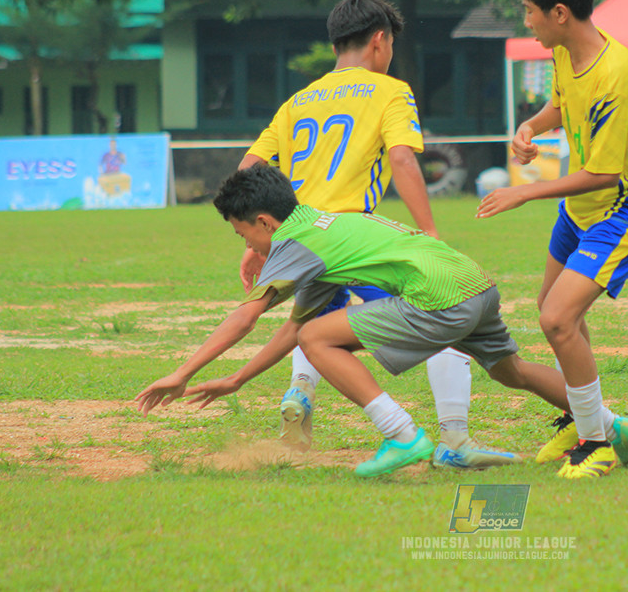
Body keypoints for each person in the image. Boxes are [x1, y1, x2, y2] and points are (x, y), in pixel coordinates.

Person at [135, 165, 572, 478]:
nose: (247, 244)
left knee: (318, 338)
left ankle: (402, 435)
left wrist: (182, 372)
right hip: (476, 283)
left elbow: (247, 318)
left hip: (439, 297)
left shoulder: (292, 244)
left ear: (265, 222)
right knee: (511, 371)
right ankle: (605, 424)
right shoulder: (323, 225)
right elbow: (293, 328)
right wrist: (236, 379)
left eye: (243, 234)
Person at [237, 0, 511, 468]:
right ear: (380, 41)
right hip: (354, 235)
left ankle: (300, 390)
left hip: (302, 239)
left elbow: (249, 170)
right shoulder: (390, 91)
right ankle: (454, 440)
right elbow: (402, 157)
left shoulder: (297, 101)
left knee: (311, 322)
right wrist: (428, 232)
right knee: (440, 309)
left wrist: (263, 242)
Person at [477, 0, 628, 478]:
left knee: (557, 319)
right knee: (553, 309)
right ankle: (591, 420)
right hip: (582, 203)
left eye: (528, 10)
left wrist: (522, 192)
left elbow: (605, 174)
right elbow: (562, 106)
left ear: (558, 12)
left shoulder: (617, 72)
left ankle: (598, 443)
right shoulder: (565, 51)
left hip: (626, 204)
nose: (526, 20)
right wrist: (531, 128)